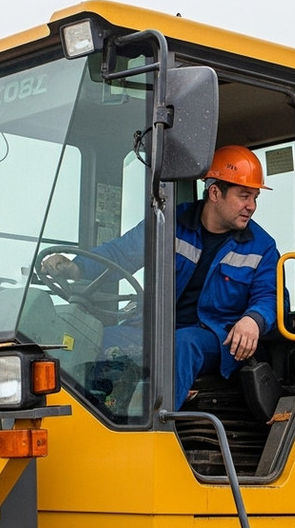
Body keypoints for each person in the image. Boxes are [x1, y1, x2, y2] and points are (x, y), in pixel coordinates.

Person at [42, 145, 280, 410]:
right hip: (153, 329)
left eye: (255, 197)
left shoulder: (262, 246)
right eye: (244, 196)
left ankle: (156, 425)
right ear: (215, 192)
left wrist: (253, 320)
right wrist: (76, 269)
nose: (252, 206)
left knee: (182, 345)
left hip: (213, 337)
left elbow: (269, 297)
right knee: (91, 341)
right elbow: (121, 253)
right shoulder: (169, 223)